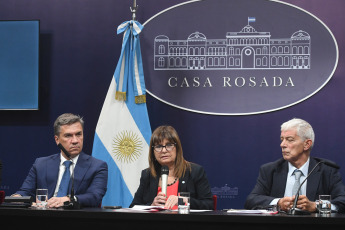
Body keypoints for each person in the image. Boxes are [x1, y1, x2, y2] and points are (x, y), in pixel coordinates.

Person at [245, 118, 345, 213]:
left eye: (290, 139)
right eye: (282, 139)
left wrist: (315, 206)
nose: (282, 145)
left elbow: (342, 201)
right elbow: (251, 200)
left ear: (307, 144)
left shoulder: (326, 170)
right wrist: (279, 202)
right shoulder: (270, 170)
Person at [13, 113, 108, 208]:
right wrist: (16, 199)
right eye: (68, 136)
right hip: (43, 218)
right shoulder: (41, 164)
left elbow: (95, 196)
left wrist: (68, 199)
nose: (75, 141)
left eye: (78, 134)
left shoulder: (97, 166)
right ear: (57, 139)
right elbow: (25, 192)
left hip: (77, 219)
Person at [130, 125, 213, 210]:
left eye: (169, 145)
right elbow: (133, 207)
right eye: (158, 146)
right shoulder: (147, 174)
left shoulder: (195, 171)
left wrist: (184, 200)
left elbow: (209, 204)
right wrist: (151, 205)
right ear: (153, 151)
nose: (164, 150)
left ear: (177, 148)